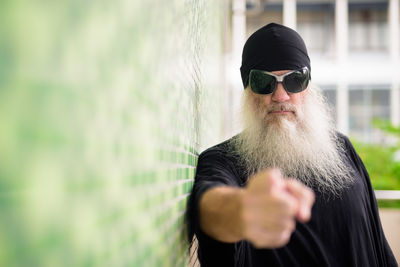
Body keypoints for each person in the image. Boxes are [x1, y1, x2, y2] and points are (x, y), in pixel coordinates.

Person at [187, 23, 398, 267]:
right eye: (264, 82)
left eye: (294, 80)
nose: (280, 96)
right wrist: (243, 209)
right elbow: (209, 205)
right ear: (247, 90)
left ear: (308, 86)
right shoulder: (223, 160)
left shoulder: (341, 148)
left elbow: (378, 244)